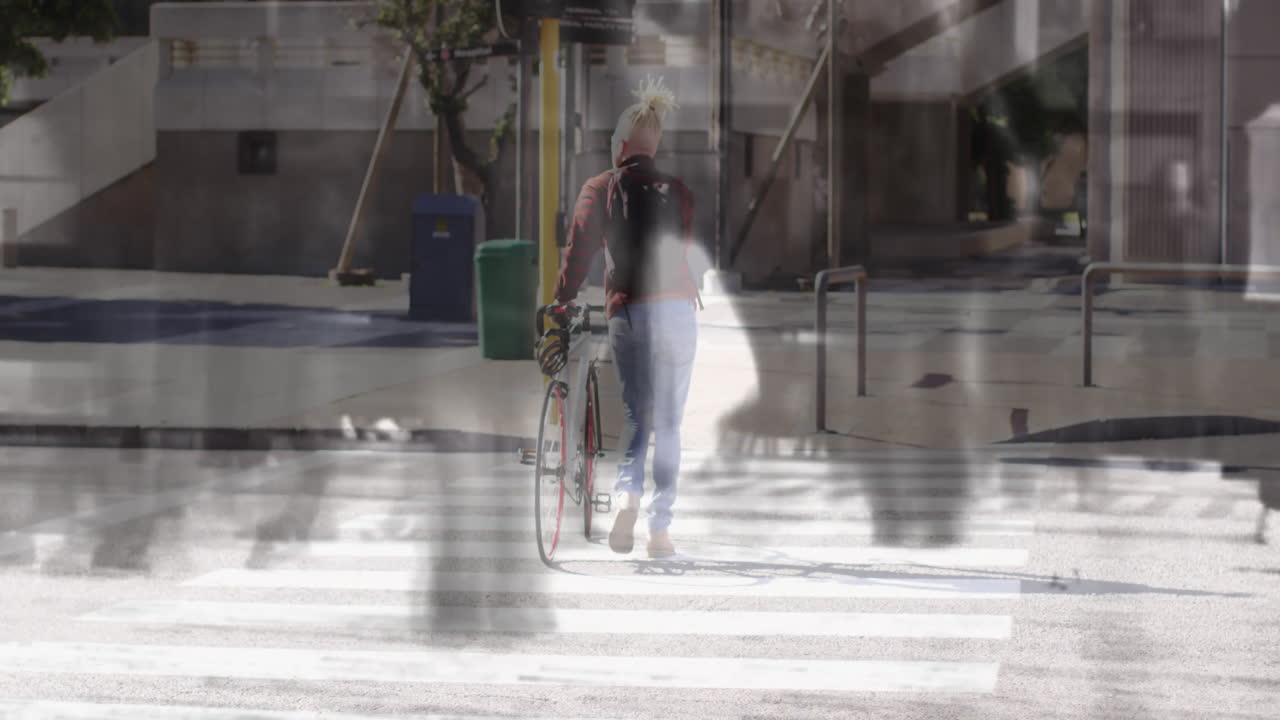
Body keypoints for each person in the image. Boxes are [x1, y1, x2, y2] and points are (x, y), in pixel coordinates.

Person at [553, 75, 700, 559]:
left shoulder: (601, 186)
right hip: (677, 310)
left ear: (619, 145)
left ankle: (626, 497)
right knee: (671, 422)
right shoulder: (679, 191)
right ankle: (660, 532)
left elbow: (578, 253)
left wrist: (561, 300)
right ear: (655, 146)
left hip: (630, 310)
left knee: (637, 412)